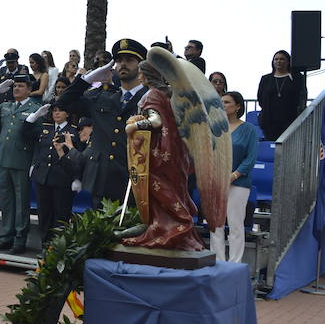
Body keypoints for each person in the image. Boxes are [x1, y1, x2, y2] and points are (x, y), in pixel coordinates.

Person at [121, 60, 203, 250]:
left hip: (160, 152)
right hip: (173, 150)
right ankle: (167, 225)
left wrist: (134, 126)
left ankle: (177, 223)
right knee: (170, 189)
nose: (139, 76)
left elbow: (156, 121)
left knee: (160, 189)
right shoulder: (167, 94)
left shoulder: (153, 94)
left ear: (148, 75)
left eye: (142, 73)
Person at [55, 39, 149, 206]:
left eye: (129, 60)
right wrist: (86, 80)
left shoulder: (150, 99)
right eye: (119, 60)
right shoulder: (101, 97)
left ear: (141, 65)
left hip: (133, 183)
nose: (123, 64)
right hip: (101, 181)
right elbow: (63, 103)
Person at [0, 74, 37, 254]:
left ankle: (20, 240)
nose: (16, 89)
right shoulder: (6, 106)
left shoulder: (34, 109)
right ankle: (6, 236)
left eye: (21, 86)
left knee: (21, 203)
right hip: (3, 160)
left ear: (29, 89)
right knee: (6, 202)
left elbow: (37, 137)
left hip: (21, 161)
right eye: (15, 86)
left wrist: (33, 163)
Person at [209, 91, 258, 262]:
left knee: (235, 224)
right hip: (216, 181)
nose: (223, 105)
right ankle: (218, 260)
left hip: (239, 183)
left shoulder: (249, 130)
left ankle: (234, 262)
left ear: (237, 106)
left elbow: (250, 159)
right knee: (215, 224)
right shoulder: (216, 128)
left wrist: (233, 176)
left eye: (227, 102)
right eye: (221, 102)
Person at [23, 103, 81, 245]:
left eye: (60, 110)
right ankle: (45, 245)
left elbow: (79, 156)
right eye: (54, 111)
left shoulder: (73, 131)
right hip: (43, 177)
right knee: (44, 214)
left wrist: (77, 178)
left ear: (67, 114)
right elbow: (25, 132)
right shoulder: (46, 128)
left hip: (63, 179)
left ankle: (57, 248)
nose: (57, 113)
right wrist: (34, 116)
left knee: (60, 215)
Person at [256, 50, 306, 141]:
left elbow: (300, 96)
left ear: (288, 61)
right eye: (276, 59)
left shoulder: (296, 78)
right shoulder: (266, 79)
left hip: (290, 120)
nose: (278, 61)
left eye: (282, 59)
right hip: (269, 121)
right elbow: (260, 97)